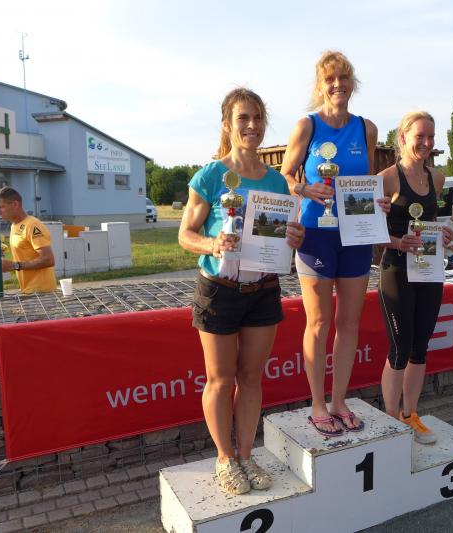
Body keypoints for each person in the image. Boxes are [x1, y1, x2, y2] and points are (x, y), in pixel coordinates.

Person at [178, 88, 305, 495]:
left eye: (258, 118)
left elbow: (281, 234)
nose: (252, 125)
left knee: (251, 378)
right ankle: (224, 459)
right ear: (227, 125)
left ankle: (246, 456)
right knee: (219, 380)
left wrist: (294, 237)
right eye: (243, 118)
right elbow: (185, 234)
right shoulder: (210, 176)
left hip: (263, 289)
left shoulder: (276, 182)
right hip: (219, 289)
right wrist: (212, 243)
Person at [280, 50, 384, 437]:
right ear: (320, 86)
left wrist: (377, 201)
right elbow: (285, 174)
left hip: (355, 235)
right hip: (315, 235)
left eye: (343, 78)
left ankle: (339, 401)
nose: (338, 85)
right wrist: (305, 189)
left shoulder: (366, 128)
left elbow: (367, 180)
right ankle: (318, 404)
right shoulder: (306, 125)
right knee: (319, 322)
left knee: (350, 322)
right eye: (330, 79)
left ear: (352, 83)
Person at [378, 111, 452, 444]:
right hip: (396, 269)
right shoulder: (387, 178)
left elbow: (431, 224)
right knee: (399, 348)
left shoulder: (438, 178)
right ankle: (391, 420)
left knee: (420, 348)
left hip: (428, 270)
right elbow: (365, 228)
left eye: (431, 136)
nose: (426, 142)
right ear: (403, 137)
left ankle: (411, 415)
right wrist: (397, 242)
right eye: (420, 136)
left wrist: (443, 234)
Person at [0, 187, 56, 293]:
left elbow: (48, 259)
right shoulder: (14, 225)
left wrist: (14, 266)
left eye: (1, 207)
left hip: (41, 291)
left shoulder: (33, 225)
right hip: (28, 289)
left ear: (15, 204)